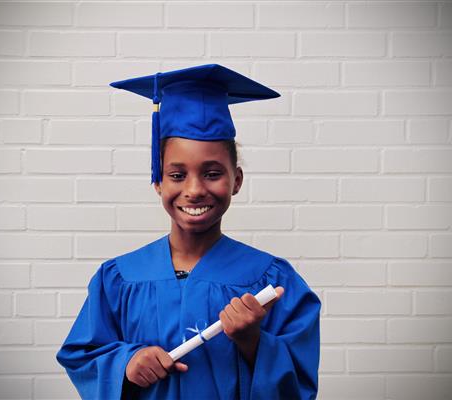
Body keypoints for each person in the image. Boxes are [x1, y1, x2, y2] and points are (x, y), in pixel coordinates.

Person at [56, 64, 321, 399]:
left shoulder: (273, 280)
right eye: (177, 175)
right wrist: (127, 362)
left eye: (212, 173)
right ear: (157, 180)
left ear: (236, 180)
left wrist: (253, 341)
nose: (194, 190)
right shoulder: (118, 279)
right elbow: (81, 356)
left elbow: (299, 384)